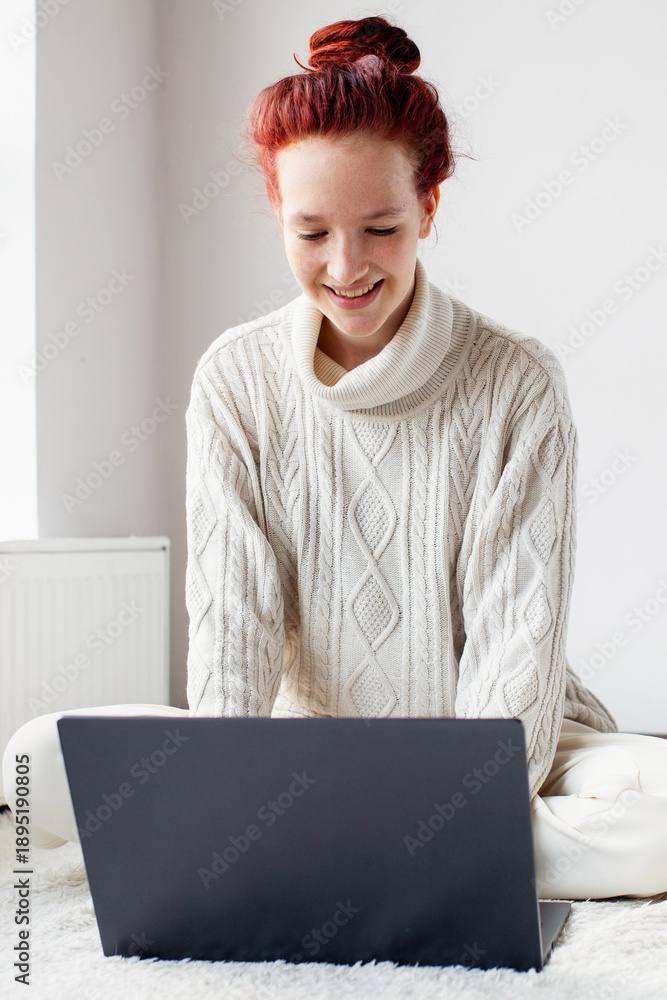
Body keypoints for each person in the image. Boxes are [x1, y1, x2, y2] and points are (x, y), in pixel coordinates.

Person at [3, 15, 667, 903]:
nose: (346, 266)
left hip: (496, 753)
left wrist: (460, 803)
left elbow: (515, 648)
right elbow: (233, 629)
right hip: (303, 756)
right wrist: (227, 795)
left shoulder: (517, 384)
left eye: (381, 228)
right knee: (32, 762)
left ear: (429, 206)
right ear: (277, 211)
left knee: (654, 817)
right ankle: (385, 852)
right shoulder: (236, 379)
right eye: (311, 232)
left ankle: (364, 851)